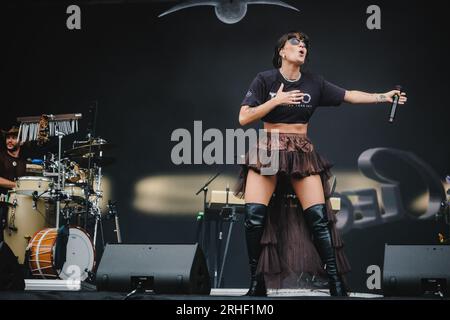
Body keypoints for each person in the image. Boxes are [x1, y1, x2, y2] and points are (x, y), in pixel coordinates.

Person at [236, 31, 407, 297]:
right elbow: (244, 118)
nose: (301, 45)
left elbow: (349, 95)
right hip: (268, 149)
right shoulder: (265, 79)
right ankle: (256, 284)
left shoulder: (314, 83)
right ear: (281, 51)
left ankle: (336, 284)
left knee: (318, 218)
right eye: (294, 42)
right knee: (253, 218)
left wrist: (382, 97)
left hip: (301, 150)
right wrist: (276, 101)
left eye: (304, 43)